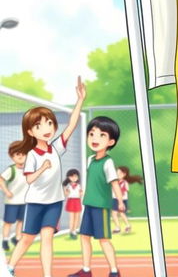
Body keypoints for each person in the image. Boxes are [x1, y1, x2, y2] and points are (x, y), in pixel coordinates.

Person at [6, 77, 86, 277]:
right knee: (26, 238)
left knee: (48, 237)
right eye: (40, 125)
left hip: (55, 202)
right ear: (31, 131)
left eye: (49, 123)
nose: (47, 128)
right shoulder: (32, 154)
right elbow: (29, 179)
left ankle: (48, 274)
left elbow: (71, 126)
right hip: (35, 203)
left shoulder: (56, 148)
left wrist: (80, 100)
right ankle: (10, 267)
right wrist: (42, 169)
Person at [67, 116, 126, 277]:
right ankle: (86, 270)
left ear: (111, 142)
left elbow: (114, 184)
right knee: (84, 237)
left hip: (102, 207)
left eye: (102, 135)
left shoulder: (108, 162)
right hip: (89, 204)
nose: (95, 138)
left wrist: (120, 202)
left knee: (104, 239)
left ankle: (114, 271)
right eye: (92, 134)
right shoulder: (90, 160)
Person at [0, 142, 27, 252]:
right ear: (12, 156)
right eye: (17, 154)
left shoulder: (29, 170)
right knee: (9, 222)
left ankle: (17, 238)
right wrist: (6, 191)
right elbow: (1, 179)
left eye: (23, 154)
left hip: (24, 201)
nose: (20, 156)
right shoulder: (11, 170)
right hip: (12, 202)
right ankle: (5, 240)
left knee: (21, 221)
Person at [111, 166, 142, 234]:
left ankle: (128, 225)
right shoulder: (115, 182)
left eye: (120, 173)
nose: (118, 174)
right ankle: (118, 227)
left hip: (122, 200)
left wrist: (120, 201)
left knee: (121, 213)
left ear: (124, 174)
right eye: (117, 173)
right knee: (114, 213)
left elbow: (124, 191)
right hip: (115, 199)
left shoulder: (124, 183)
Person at [63, 169, 83, 239]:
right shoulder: (68, 185)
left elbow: (81, 194)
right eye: (71, 176)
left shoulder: (79, 185)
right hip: (71, 201)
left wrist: (81, 194)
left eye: (75, 176)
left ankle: (74, 230)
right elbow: (66, 194)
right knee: (72, 218)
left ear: (78, 177)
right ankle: (71, 231)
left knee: (77, 217)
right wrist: (65, 190)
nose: (74, 178)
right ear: (68, 177)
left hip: (77, 201)